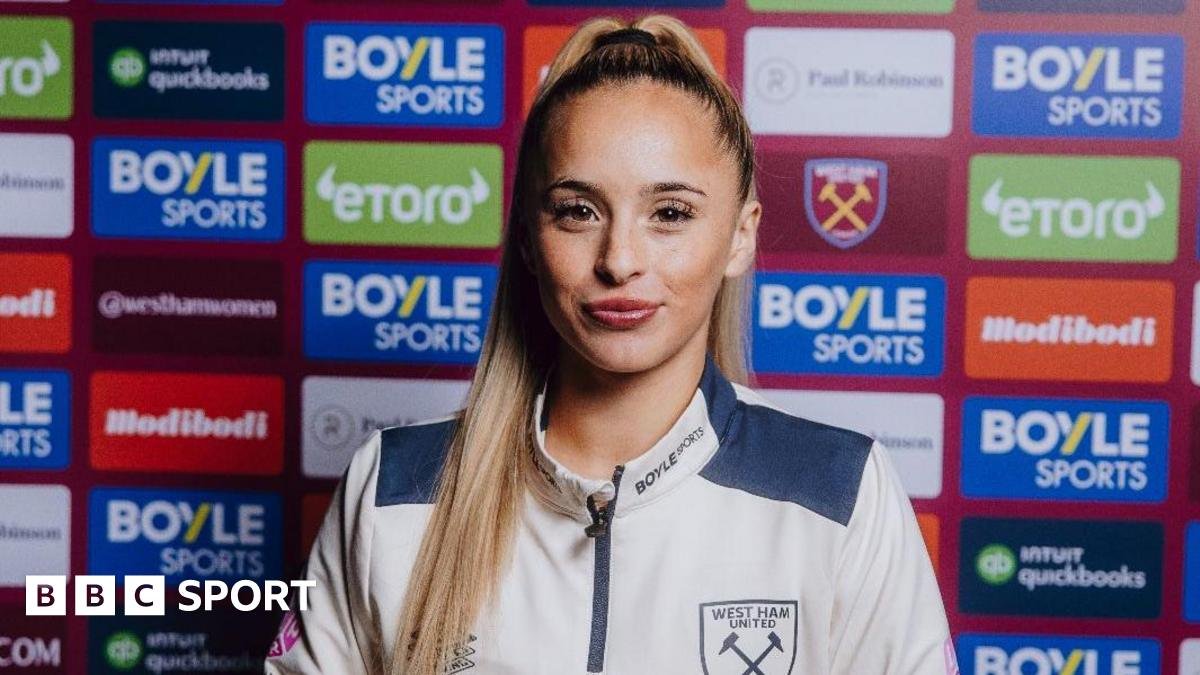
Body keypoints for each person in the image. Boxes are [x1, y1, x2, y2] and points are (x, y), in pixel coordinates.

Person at [264, 13, 953, 675]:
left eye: (670, 213)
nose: (619, 259)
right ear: (529, 239)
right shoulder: (392, 487)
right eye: (578, 211)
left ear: (740, 236)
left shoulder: (837, 490)